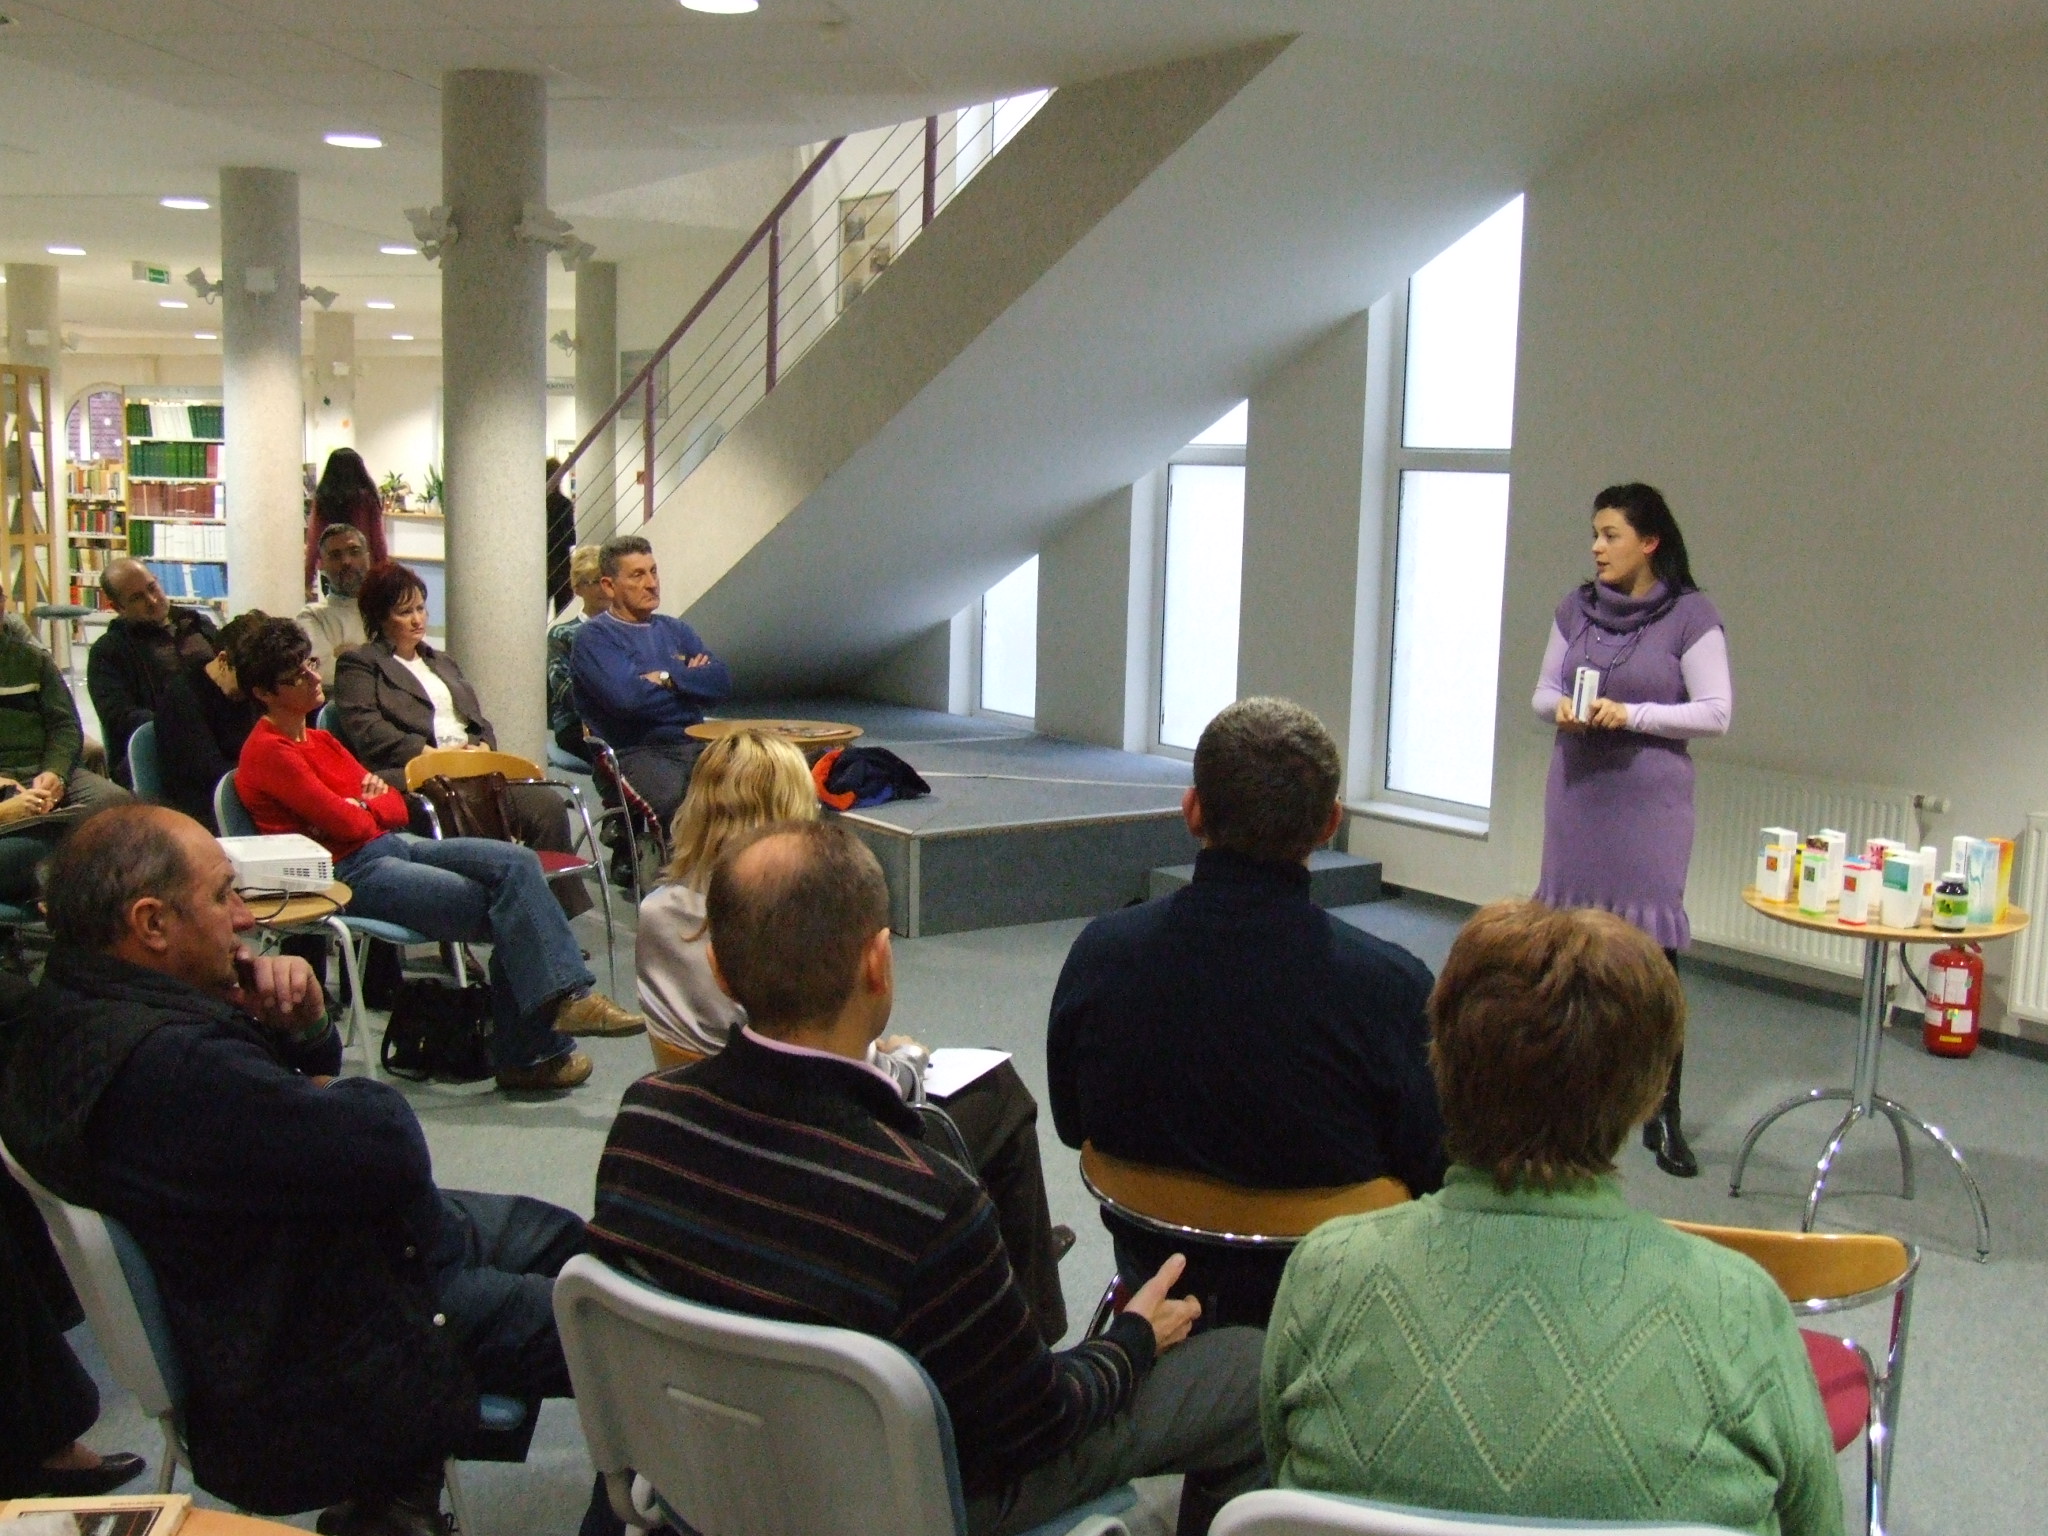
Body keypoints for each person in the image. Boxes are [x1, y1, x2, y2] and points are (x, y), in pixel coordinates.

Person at [591, 821, 1267, 1536]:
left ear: (720, 970)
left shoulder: (643, 1122)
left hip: (704, 1478)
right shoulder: (927, 1199)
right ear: (878, 963)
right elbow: (1040, 1424)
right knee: (1244, 1369)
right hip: (908, 1502)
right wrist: (1131, 1340)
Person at [0, 807, 591, 1535]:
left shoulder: (65, 1015)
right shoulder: (177, 1066)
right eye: (222, 895)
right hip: (338, 1325)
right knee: (624, 1322)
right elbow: (391, 1149)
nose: (245, 917)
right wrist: (323, 1080)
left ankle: (396, 1498)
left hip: (283, 1269)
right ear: (151, 923)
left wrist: (303, 1031)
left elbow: (297, 1137)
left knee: (566, 1239)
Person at [1262, 901, 1842, 1536]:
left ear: (1440, 1059)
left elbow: (1281, 1471)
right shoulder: (1741, 1309)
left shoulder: (1326, 1273)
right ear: (1649, 1093)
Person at [638, 729, 1073, 1340]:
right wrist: (903, 1059)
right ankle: (1026, 1313)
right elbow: (821, 1066)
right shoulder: (777, 928)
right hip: (808, 1135)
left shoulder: (657, 914)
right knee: (999, 1094)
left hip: (709, 1116)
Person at [1047, 697, 1445, 1328]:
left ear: (1192, 810)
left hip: (1154, 1277)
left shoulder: (1101, 953)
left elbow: (1073, 1125)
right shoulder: (1391, 989)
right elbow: (1431, 1169)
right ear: (1329, 823)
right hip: (1330, 1300)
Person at [232, 619, 643, 1093]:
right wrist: (364, 804)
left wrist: (364, 804)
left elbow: (394, 803)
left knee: (518, 865)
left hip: (389, 846)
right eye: (296, 675)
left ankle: (555, 1017)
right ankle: (533, 1049)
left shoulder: (321, 740)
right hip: (345, 875)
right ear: (263, 692)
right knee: (511, 911)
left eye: (310, 663)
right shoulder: (270, 752)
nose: (312, 676)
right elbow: (348, 824)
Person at [1531, 481, 1732, 1178]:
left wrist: (1633, 714)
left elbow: (1715, 712)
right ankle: (1560, 1100)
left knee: (1651, 962)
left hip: (1648, 805)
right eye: (1594, 533)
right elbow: (1542, 691)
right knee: (1565, 954)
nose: (1596, 547)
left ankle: (1662, 1113)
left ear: (1649, 542)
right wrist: (1561, 709)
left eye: (1610, 534)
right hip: (1578, 796)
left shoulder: (1691, 615)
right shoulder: (1575, 608)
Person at [332, 561, 591, 918]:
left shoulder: (441, 662)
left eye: (421, 608)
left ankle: (554, 918)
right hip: (413, 775)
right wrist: (429, 754)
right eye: (404, 612)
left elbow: (476, 720)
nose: (417, 620)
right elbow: (367, 729)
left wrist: (483, 745)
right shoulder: (361, 664)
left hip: (469, 769)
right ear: (379, 617)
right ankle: (491, 917)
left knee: (546, 805)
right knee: (464, 807)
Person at [569, 533, 731, 827]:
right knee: (684, 805)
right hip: (634, 751)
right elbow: (628, 701)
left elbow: (719, 684)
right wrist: (689, 684)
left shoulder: (676, 630)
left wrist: (667, 678)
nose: (652, 583)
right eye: (638, 575)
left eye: (653, 571)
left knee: (751, 790)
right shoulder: (594, 637)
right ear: (609, 586)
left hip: (695, 744)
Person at [0, 597, 131, 901]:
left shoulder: (33, 660)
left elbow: (65, 725)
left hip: (42, 769)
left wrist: (55, 772)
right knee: (32, 840)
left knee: (121, 811)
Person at [86, 556, 219, 788]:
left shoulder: (197, 624)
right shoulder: (108, 652)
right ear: (118, 608)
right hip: (160, 747)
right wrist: (182, 723)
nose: (152, 600)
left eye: (152, 587)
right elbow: (120, 716)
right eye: (137, 598)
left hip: (218, 733)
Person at [154, 609, 268, 831]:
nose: (254, 693)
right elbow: (207, 773)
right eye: (245, 683)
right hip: (205, 807)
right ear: (223, 660)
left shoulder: (253, 688)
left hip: (246, 794)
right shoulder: (183, 697)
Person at [545, 544, 606, 765]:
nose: (604, 588)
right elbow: (566, 691)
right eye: (595, 581)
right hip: (576, 724)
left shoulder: (627, 629)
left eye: (607, 580)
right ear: (578, 589)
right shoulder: (562, 633)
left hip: (623, 720)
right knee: (629, 755)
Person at [305, 448, 390, 598]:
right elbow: (378, 541)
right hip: (361, 567)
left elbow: (314, 541)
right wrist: (384, 571)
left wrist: (308, 579)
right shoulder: (367, 498)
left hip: (332, 567)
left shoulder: (324, 499)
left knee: (333, 607)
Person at [298, 523, 372, 686]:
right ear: (321, 565)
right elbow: (322, 673)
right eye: (335, 555)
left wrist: (350, 654)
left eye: (354, 552)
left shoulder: (389, 608)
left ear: (367, 558)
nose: (346, 561)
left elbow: (406, 665)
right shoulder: (312, 616)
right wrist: (376, 653)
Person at [545, 459, 575, 616]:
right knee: (564, 612)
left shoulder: (536, 504)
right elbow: (570, 537)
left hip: (542, 564)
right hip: (561, 564)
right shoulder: (563, 503)